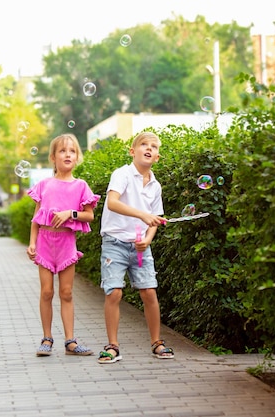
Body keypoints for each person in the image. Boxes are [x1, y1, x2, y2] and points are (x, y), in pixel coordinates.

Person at [97, 131, 174, 364]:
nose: (149, 148)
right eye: (144, 145)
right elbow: (112, 202)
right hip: (115, 244)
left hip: (140, 247)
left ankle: (157, 342)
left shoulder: (155, 186)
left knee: (149, 291)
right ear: (133, 151)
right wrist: (143, 214)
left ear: (157, 157)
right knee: (114, 292)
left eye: (153, 146)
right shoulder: (122, 174)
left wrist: (149, 238)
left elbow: (156, 219)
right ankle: (112, 346)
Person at [26, 133, 100, 357]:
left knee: (66, 292)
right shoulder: (44, 185)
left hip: (67, 242)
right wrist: (32, 244)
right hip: (45, 243)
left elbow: (89, 216)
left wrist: (71, 213)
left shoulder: (81, 186)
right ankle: (47, 339)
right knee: (47, 291)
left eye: (72, 151)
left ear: (77, 157)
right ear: (53, 157)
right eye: (62, 151)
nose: (68, 154)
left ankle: (70, 341)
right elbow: (36, 217)